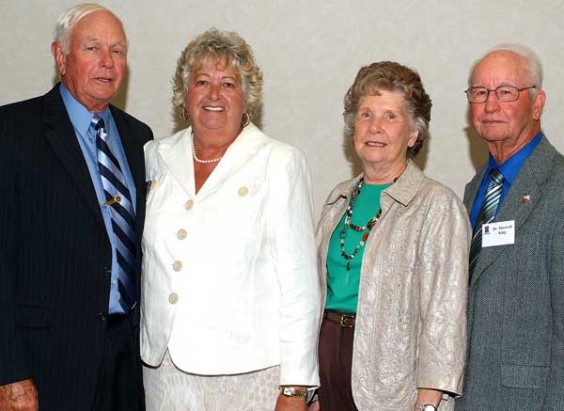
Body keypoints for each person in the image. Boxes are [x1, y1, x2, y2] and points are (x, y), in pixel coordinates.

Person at [140, 28, 320, 410]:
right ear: (184, 96)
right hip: (165, 372)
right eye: (201, 82)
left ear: (247, 97)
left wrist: (296, 388)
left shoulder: (279, 162)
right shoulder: (155, 156)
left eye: (228, 83)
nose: (214, 95)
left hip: (250, 373)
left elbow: (300, 285)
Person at [0, 3, 153, 410]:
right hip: (46, 362)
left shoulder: (140, 138)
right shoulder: (12, 131)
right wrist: (9, 372)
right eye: (92, 48)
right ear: (60, 56)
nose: (107, 62)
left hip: (128, 361)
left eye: (117, 51)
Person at [315, 61, 470, 411]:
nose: (375, 127)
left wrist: (430, 402)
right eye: (366, 114)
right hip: (328, 366)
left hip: (393, 384)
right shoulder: (337, 200)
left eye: (390, 117)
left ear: (413, 133)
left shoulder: (436, 206)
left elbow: (445, 318)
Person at [456, 45, 564, 410]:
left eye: (506, 92)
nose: (490, 105)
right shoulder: (475, 189)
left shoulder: (559, 188)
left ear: (537, 104)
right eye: (480, 93)